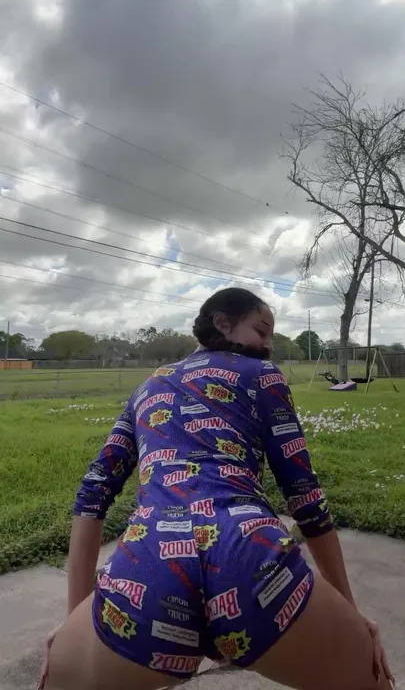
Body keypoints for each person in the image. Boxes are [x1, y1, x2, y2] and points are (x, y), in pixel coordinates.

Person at [41, 288, 393, 690]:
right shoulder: (263, 375)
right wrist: (350, 611)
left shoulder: (147, 388)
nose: (269, 344)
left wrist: (74, 619)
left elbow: (93, 492)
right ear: (222, 323)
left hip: (148, 566)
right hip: (250, 556)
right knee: (370, 678)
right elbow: (305, 496)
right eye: (261, 331)